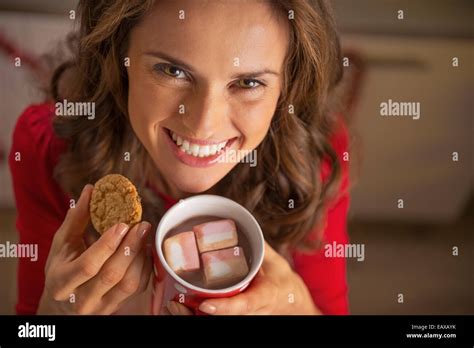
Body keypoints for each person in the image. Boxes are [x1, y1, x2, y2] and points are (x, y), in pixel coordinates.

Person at [9, 0, 350, 315]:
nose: (203, 124)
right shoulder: (47, 145)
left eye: (247, 82)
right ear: (119, 59)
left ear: (286, 87)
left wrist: (299, 307)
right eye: (172, 71)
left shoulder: (314, 158)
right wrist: (54, 315)